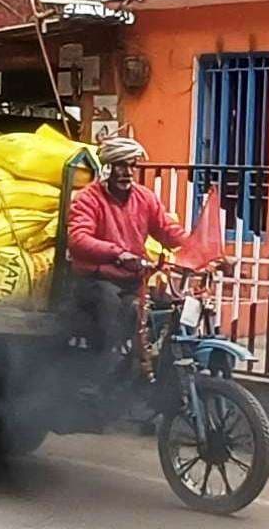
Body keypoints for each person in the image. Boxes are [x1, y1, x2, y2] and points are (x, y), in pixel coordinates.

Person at [67, 137, 187, 374]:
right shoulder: (88, 199)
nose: (128, 172)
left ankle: (151, 370)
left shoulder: (145, 198)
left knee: (167, 310)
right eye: (121, 165)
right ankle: (101, 374)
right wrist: (118, 254)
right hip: (97, 280)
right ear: (108, 168)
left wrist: (203, 251)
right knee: (110, 309)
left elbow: (167, 229)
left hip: (133, 280)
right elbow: (78, 239)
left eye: (132, 165)